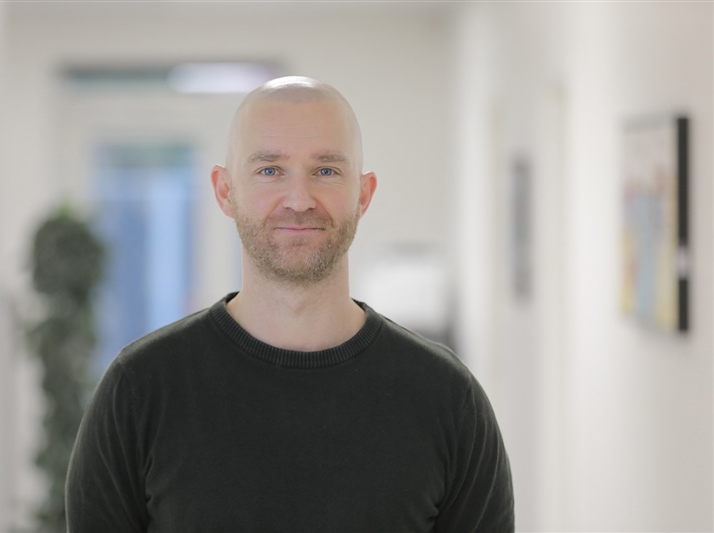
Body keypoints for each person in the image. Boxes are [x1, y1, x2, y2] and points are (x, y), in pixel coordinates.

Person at [65, 76, 515, 532]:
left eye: (326, 170)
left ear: (363, 194)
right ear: (224, 191)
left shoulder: (447, 399)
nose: (299, 200)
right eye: (269, 170)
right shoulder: (140, 391)